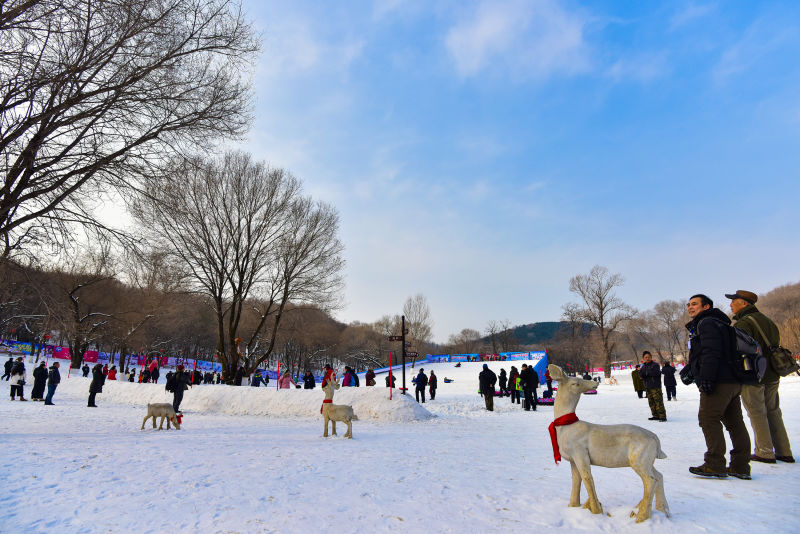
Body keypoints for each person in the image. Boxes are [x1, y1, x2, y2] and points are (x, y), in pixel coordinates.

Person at [685, 293, 751, 479]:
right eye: (689, 304)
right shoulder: (722, 323)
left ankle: (714, 463)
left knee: (708, 418)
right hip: (732, 380)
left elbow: (711, 352)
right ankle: (740, 466)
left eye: (695, 304)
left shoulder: (706, 323)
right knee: (734, 423)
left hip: (719, 381)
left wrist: (706, 377)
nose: (690, 307)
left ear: (706, 307)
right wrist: (691, 368)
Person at [726, 289, 794, 464]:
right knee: (773, 412)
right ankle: (784, 451)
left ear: (744, 304)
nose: (731, 304)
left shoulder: (744, 323)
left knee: (756, 412)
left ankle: (764, 451)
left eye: (734, 301)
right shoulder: (768, 321)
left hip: (754, 373)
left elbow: (739, 350)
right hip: (772, 372)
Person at [640, 351, 666, 422]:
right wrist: (643, 374)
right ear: (643, 358)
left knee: (658, 402)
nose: (647, 358)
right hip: (647, 386)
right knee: (651, 402)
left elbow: (655, 373)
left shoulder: (655, 365)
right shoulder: (643, 366)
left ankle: (662, 416)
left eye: (648, 357)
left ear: (651, 357)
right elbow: (641, 374)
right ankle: (655, 415)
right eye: (646, 357)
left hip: (655, 386)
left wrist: (646, 374)